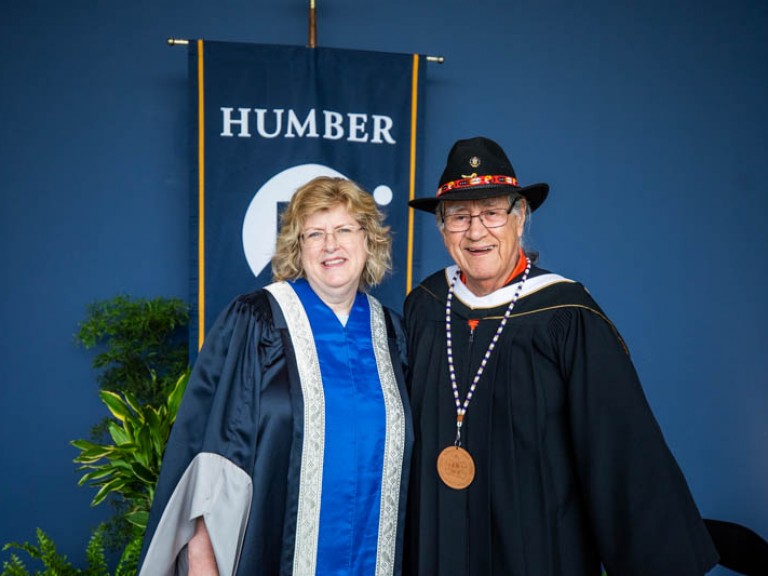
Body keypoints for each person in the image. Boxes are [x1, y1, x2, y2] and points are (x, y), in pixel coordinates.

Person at [403, 136, 719, 575]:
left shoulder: (566, 315)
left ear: (520, 217)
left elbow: (619, 448)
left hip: (537, 550)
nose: (476, 232)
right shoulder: (425, 305)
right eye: (459, 217)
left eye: (492, 212)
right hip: (437, 551)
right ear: (441, 227)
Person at [138, 176, 413, 575]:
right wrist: (201, 558)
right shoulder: (257, 321)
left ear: (368, 240)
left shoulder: (391, 333)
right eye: (314, 234)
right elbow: (212, 447)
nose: (330, 245)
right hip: (270, 555)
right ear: (297, 249)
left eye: (343, 230)